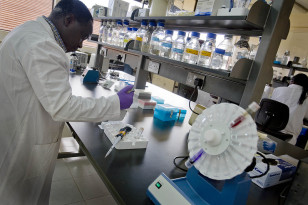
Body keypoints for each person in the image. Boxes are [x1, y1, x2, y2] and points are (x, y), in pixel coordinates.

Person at [0, 0, 134, 204]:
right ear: (68, 20)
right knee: (22, 197)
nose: (81, 44)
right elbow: (63, 106)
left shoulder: (28, 31)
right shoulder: (43, 45)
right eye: (82, 36)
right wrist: (116, 102)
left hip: (13, 127)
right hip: (22, 141)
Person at [271, 73, 308, 145]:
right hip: (289, 136)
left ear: (292, 81)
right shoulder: (306, 97)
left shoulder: (278, 90)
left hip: (271, 129)